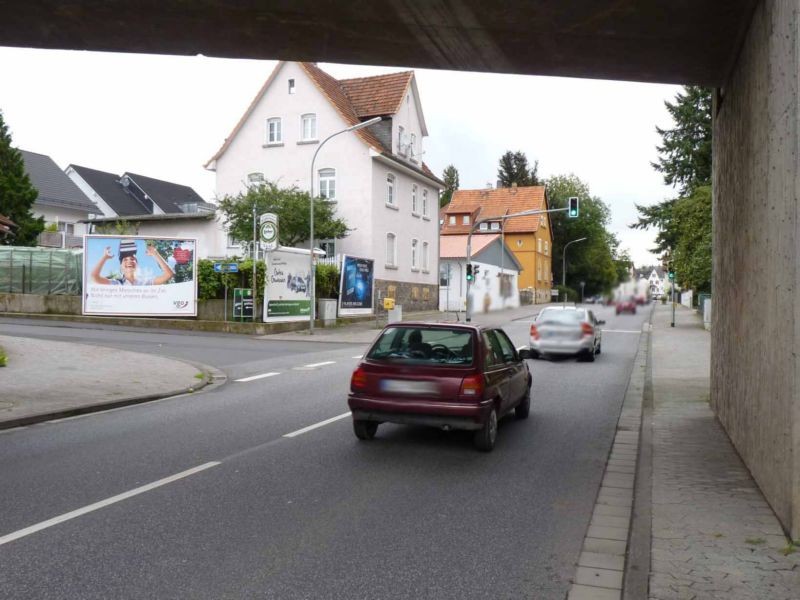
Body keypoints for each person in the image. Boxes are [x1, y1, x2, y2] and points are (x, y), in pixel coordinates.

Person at [91, 240, 175, 285]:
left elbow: (169, 275)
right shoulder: (116, 283)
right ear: (121, 266)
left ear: (137, 264)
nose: (129, 261)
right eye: (125, 260)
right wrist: (104, 257)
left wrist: (155, 254)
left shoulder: (146, 283)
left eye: (132, 259)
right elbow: (94, 277)